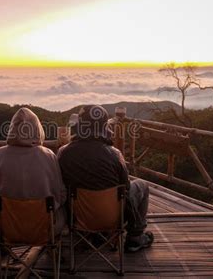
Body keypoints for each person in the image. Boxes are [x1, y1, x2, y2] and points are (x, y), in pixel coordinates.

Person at [58, 105, 153, 252]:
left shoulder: (63, 153)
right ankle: (135, 236)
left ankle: (92, 234)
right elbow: (125, 188)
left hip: (78, 218)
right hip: (111, 217)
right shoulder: (114, 154)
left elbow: (60, 186)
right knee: (142, 186)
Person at [0, 107, 66, 233]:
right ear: (37, 129)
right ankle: (48, 251)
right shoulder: (49, 156)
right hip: (44, 229)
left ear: (12, 129)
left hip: (5, 229)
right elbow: (60, 194)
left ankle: (2, 250)